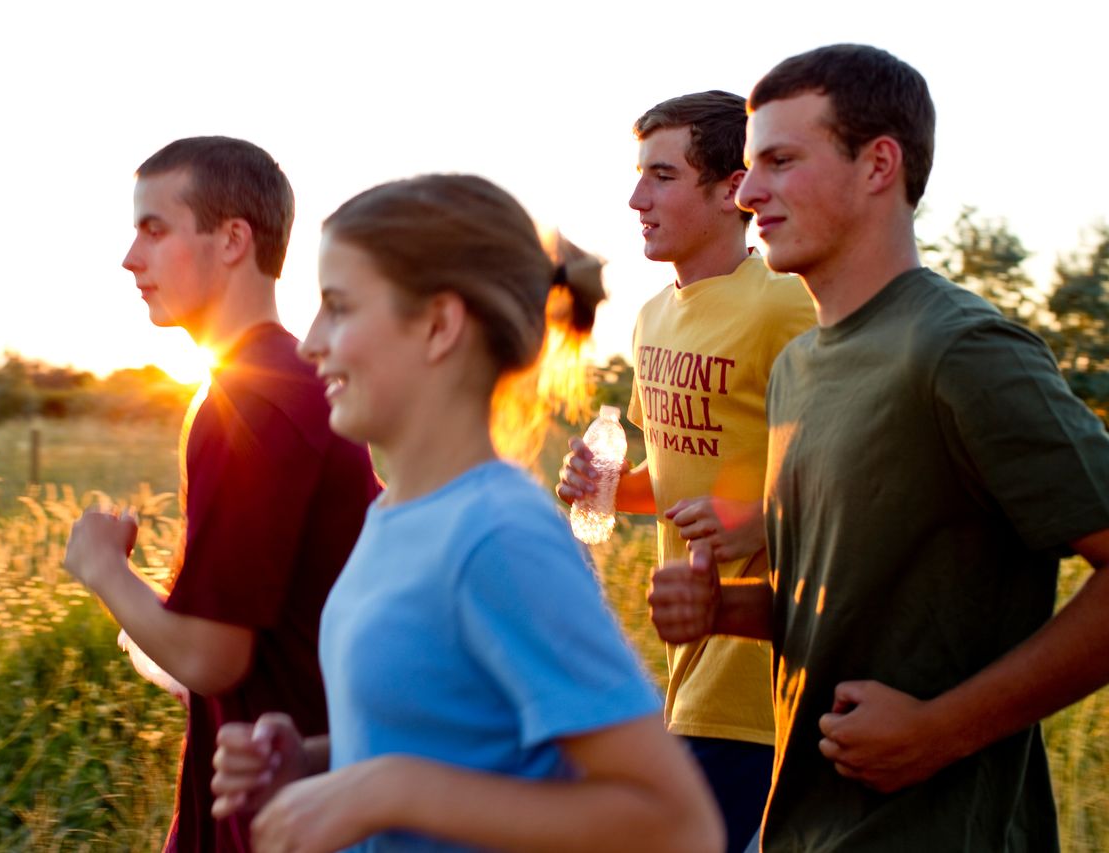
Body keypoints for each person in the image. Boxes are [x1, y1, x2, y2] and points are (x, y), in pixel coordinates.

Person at [649, 44, 1109, 851]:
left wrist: (941, 729)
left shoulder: (962, 351)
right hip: (801, 826)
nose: (750, 193)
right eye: (751, 168)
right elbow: (834, 601)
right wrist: (727, 608)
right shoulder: (799, 366)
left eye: (781, 161)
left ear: (878, 165)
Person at [210, 174, 726, 853]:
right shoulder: (395, 512)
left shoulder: (500, 534)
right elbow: (452, 732)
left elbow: (677, 823)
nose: (309, 342)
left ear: (438, 325)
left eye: (338, 306)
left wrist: (388, 789)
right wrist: (308, 764)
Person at [61, 136, 379, 852]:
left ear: (233, 238)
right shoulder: (280, 387)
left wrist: (104, 567)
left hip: (288, 814)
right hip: (276, 798)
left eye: (154, 228)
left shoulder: (256, 404)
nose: (130, 258)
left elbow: (213, 657)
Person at [556, 91, 815, 852]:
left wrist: (757, 516)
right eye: (640, 174)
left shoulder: (785, 308)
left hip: (765, 674)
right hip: (686, 667)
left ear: (731, 188)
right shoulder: (652, 317)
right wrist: (608, 484)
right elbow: (677, 478)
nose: (637, 197)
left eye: (662, 176)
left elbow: (847, 474)